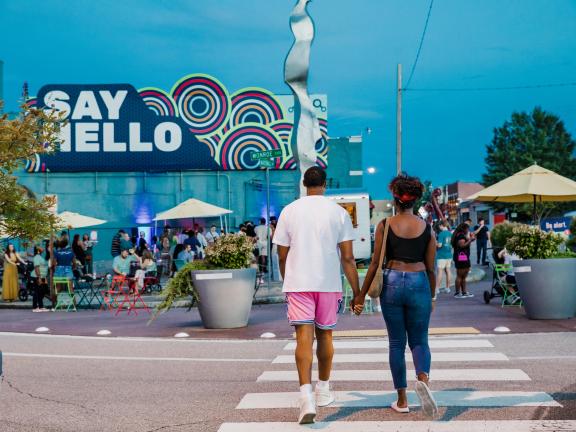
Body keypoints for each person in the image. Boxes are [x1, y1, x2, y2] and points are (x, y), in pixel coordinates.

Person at [273, 166, 359, 424]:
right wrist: (357, 292)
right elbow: (348, 257)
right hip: (328, 283)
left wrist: (287, 277)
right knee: (326, 335)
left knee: (303, 337)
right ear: (325, 183)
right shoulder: (339, 213)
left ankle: (306, 396)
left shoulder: (289, 211)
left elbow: (281, 254)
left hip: (298, 282)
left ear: (304, 183)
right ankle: (323, 389)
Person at [355, 173, 438, 418]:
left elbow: (373, 264)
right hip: (419, 282)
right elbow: (431, 268)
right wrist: (431, 296)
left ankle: (402, 400)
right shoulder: (428, 229)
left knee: (396, 343)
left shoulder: (385, 225)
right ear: (416, 200)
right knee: (420, 341)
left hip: (391, 282)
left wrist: (360, 295)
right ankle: (423, 378)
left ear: (395, 198)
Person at [452, 223, 475, 298]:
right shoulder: (460, 236)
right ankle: (457, 293)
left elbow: (466, 244)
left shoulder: (461, 235)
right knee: (460, 275)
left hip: (463, 257)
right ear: (463, 229)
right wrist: (470, 240)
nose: (468, 230)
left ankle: (464, 292)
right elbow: (462, 245)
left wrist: (470, 239)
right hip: (461, 257)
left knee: (464, 276)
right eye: (467, 229)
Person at [436, 221, 453, 294]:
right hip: (449, 255)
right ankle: (448, 288)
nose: (439, 228)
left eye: (439, 226)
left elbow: (439, 245)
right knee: (448, 271)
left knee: (440, 272)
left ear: (441, 225)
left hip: (441, 255)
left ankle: (437, 288)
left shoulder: (441, 234)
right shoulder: (450, 234)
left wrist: (435, 242)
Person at [30, 246, 49, 312]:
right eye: (41, 247)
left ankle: (40, 306)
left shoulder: (41, 257)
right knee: (37, 291)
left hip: (43, 276)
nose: (42, 248)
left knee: (42, 291)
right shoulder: (36, 257)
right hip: (36, 276)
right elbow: (36, 268)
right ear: (38, 250)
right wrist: (39, 277)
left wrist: (45, 277)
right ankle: (35, 307)